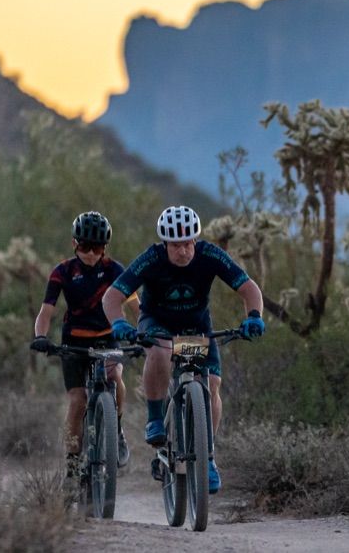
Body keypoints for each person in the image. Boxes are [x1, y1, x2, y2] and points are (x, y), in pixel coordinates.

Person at [101, 205, 265, 494]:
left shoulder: (209, 255)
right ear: (165, 244)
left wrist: (254, 316)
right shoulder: (151, 259)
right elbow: (113, 296)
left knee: (212, 384)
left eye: (189, 242)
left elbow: (248, 288)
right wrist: (119, 324)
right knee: (162, 350)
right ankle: (155, 419)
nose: (184, 250)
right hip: (158, 325)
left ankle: (208, 459)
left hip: (196, 331)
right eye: (177, 244)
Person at [31, 211, 134, 483]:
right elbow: (46, 311)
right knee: (77, 401)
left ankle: (118, 432)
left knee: (115, 377)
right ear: (74, 244)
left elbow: (137, 305)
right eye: (85, 247)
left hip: (106, 336)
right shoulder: (62, 272)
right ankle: (72, 465)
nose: (91, 254)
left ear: (105, 248)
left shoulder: (115, 270)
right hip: (74, 341)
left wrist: (145, 332)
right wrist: (41, 336)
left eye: (97, 248)